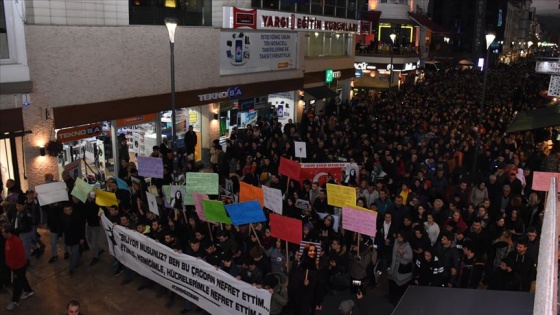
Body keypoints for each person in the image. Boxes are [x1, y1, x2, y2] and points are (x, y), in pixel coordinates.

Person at [2, 223, 34, 311]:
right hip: (14, 266)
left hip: (18, 267)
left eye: (3, 232)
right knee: (22, 278)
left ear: (8, 233)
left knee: (17, 285)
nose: (2, 234)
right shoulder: (8, 240)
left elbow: (20, 255)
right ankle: (28, 290)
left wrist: (15, 267)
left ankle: (15, 301)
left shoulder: (16, 241)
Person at [387, 231, 413, 306]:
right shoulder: (396, 242)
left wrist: (403, 254)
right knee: (393, 284)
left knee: (400, 287)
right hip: (394, 268)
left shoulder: (407, 246)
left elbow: (410, 257)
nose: (398, 238)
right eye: (397, 236)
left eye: (400, 237)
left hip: (401, 270)